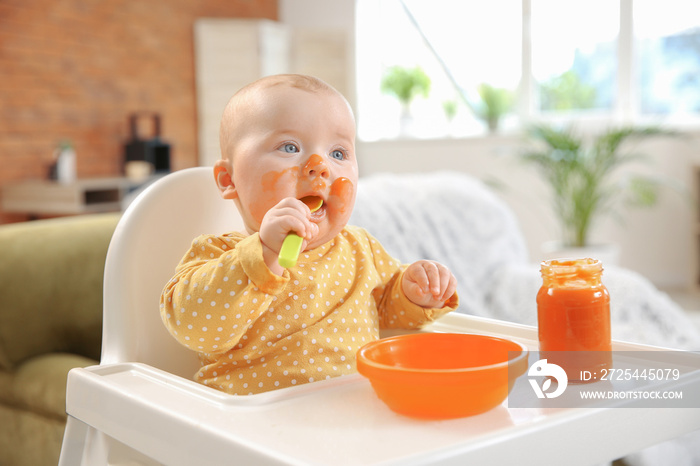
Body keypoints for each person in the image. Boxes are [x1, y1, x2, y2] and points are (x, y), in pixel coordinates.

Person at [160, 74, 458, 395]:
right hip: (253, 428)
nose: (320, 167)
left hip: (354, 413)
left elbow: (387, 311)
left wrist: (412, 293)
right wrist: (262, 255)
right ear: (228, 178)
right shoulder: (219, 254)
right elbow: (194, 327)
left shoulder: (360, 248)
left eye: (339, 153)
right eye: (290, 147)